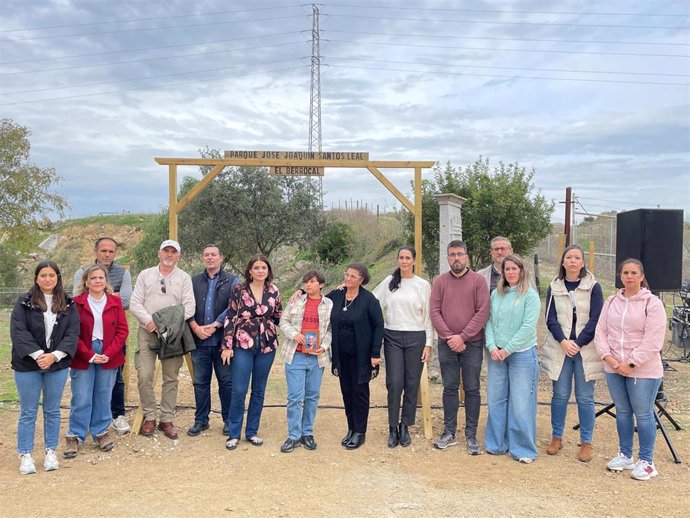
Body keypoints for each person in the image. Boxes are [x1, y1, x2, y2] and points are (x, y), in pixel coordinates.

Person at [594, 259, 666, 481]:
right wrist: (609, 358)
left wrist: (631, 363)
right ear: (620, 276)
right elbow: (601, 331)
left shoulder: (652, 304)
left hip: (643, 371)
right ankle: (625, 455)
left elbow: (653, 340)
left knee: (643, 414)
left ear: (642, 276)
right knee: (623, 412)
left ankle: (646, 461)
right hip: (614, 367)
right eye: (625, 272)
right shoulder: (611, 302)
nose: (629, 276)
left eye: (634, 273)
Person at [10, 261, 79, 474]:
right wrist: (39, 355)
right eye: (43, 275)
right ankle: (26, 454)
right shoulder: (23, 303)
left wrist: (54, 356)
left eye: (51, 275)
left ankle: (51, 451)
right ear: (36, 278)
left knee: (52, 409)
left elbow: (72, 333)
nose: (47, 279)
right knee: (28, 411)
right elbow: (19, 332)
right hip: (27, 365)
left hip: (57, 365)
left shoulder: (68, 304)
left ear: (58, 277)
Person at [541, 245, 604, 462]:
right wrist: (564, 342)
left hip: (585, 349)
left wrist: (578, 342)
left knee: (585, 397)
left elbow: (596, 318)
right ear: (563, 262)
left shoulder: (593, 286)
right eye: (569, 257)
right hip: (561, 348)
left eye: (577, 257)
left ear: (583, 262)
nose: (573, 261)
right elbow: (550, 319)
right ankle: (556, 437)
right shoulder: (554, 286)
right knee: (560, 394)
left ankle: (586, 442)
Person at [130, 239, 195, 440]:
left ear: (178, 256)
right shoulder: (145, 275)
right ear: (159, 253)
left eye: (172, 252)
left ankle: (166, 418)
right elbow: (135, 302)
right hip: (147, 331)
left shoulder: (184, 278)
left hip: (173, 335)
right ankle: (150, 415)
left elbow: (189, 307)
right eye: (165, 251)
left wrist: (166, 325)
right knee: (144, 375)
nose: (169, 255)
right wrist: (151, 322)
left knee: (171, 377)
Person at [430, 240, 490, 454]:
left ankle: (471, 435)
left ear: (467, 256)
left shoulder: (478, 281)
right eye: (452, 254)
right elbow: (434, 311)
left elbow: (482, 312)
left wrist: (463, 337)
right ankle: (449, 432)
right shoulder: (440, 282)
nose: (456, 258)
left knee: (472, 388)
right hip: (446, 344)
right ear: (448, 258)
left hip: (472, 343)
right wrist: (449, 336)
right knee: (450, 387)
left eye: (460, 254)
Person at [66, 264, 128, 458]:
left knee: (103, 394)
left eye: (101, 278)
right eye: (93, 278)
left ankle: (100, 431)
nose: (98, 281)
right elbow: (71, 333)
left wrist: (108, 353)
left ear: (106, 281)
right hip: (84, 352)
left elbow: (122, 330)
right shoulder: (75, 303)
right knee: (82, 395)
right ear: (86, 281)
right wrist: (89, 354)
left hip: (109, 352)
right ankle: (75, 435)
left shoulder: (115, 303)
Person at [372, 246, 432, 448]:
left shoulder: (422, 285)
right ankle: (392, 427)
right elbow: (372, 303)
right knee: (395, 382)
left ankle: (405, 425)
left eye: (408, 258)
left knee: (412, 383)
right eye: (401, 258)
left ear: (414, 261)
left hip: (417, 337)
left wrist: (429, 344)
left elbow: (428, 317)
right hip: (393, 336)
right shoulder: (389, 282)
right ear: (397, 260)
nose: (404, 261)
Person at [485, 254, 541, 464]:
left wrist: (507, 349)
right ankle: (496, 444)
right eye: (506, 269)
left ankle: (523, 449)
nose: (510, 272)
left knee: (520, 403)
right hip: (497, 355)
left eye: (513, 269)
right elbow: (489, 322)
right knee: (496, 400)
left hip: (521, 355)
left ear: (521, 270)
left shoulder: (530, 295)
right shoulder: (496, 294)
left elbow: (528, 328)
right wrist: (492, 347)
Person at [73, 237, 132, 435]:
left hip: (111, 341)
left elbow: (125, 300)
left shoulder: (123, 273)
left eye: (111, 251)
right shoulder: (82, 271)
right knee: (82, 391)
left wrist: (110, 297)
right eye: (103, 251)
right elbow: (75, 303)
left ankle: (112, 420)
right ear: (96, 252)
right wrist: (110, 294)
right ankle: (78, 431)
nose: (107, 254)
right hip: (85, 344)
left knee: (111, 385)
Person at [223, 255, 282, 450]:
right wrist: (227, 345)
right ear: (250, 270)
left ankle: (252, 431)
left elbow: (278, 315)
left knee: (259, 390)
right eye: (256, 267)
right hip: (243, 344)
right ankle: (233, 433)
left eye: (263, 267)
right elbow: (231, 317)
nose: (260, 271)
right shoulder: (239, 289)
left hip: (267, 345)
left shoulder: (273, 290)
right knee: (239, 389)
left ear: (268, 270)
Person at [329, 263, 384, 450]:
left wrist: (375, 353)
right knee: (346, 392)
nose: (348, 278)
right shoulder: (336, 295)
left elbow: (378, 326)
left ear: (361, 280)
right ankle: (351, 428)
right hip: (341, 355)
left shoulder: (369, 300)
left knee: (359, 393)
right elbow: (316, 298)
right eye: (346, 275)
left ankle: (360, 431)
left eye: (353, 276)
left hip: (361, 355)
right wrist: (299, 291)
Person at [187, 244, 240, 437]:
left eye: (213, 255)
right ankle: (201, 420)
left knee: (226, 382)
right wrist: (194, 326)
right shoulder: (193, 281)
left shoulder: (233, 281)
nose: (210, 258)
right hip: (199, 340)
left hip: (222, 341)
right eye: (206, 255)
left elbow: (235, 306)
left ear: (221, 258)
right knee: (200, 383)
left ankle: (228, 420)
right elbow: (187, 305)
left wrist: (216, 324)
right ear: (203, 258)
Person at [278, 270, 333, 453]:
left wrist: (324, 346)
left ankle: (307, 433)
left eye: (312, 282)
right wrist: (295, 335)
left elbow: (331, 329)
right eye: (306, 282)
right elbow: (283, 321)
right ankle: (293, 435)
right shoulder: (296, 301)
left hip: (317, 357)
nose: (308, 285)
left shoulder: (329, 304)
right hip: (296, 355)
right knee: (294, 397)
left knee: (312, 396)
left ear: (321, 284)